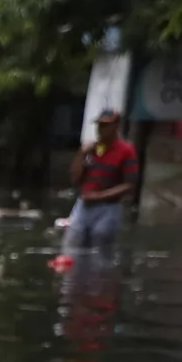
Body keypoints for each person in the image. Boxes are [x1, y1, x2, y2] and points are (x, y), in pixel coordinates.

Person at [67, 108, 139, 253]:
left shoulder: (126, 150)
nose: (101, 129)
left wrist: (100, 196)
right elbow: (74, 179)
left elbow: (130, 185)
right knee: (71, 250)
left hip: (108, 209)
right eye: (100, 125)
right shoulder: (92, 148)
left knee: (99, 253)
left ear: (116, 126)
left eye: (106, 125)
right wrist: (82, 154)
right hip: (83, 206)